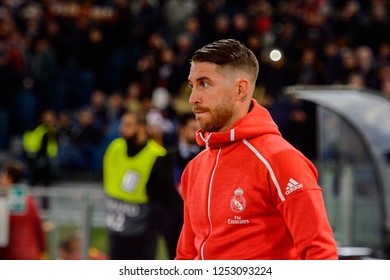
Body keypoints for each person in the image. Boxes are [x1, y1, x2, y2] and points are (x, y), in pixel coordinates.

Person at [176, 39, 338, 260]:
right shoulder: (195, 167)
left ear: (240, 89)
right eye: (192, 85)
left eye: (204, 83)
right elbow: (186, 255)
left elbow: (320, 254)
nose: (193, 98)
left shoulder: (281, 159)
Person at [103, 111, 167, 260]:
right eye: (122, 124)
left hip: (142, 233)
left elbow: (161, 198)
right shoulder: (114, 147)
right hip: (116, 229)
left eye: (128, 125)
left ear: (142, 128)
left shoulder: (157, 155)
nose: (122, 128)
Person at [149, 112, 201, 259]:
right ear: (181, 130)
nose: (197, 133)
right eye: (193, 129)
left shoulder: (207, 158)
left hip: (198, 227)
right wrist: (161, 219)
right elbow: (152, 190)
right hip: (171, 224)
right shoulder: (164, 160)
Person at [0, 160, 46, 260]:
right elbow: (38, 227)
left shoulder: (4, 202)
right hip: (31, 254)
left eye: (3, 175)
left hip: (12, 256)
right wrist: (42, 249)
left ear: (9, 178)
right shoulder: (28, 199)